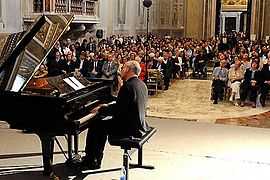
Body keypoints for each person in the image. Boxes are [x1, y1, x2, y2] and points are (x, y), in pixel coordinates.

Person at [80, 60, 149, 170]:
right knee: (100, 123)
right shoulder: (141, 84)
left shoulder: (127, 86)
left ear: (127, 70)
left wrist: (101, 108)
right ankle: (94, 158)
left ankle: (92, 160)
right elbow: (124, 105)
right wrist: (108, 106)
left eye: (123, 68)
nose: (120, 70)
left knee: (96, 124)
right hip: (139, 123)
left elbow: (118, 110)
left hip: (129, 128)